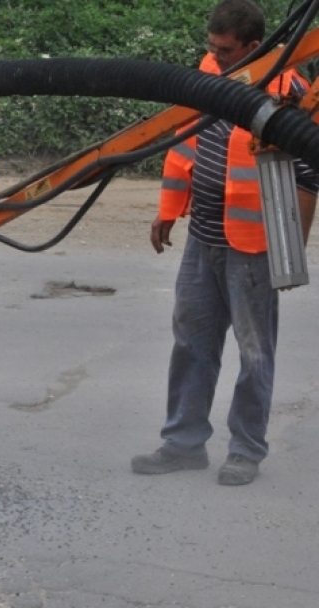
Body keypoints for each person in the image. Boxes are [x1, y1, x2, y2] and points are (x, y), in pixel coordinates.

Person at [132, 0, 318, 485]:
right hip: (203, 237)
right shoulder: (207, 78)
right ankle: (183, 443)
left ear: (254, 48)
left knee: (254, 352)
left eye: (225, 50)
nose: (214, 56)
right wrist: (169, 210)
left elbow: (308, 176)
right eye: (211, 47)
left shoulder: (289, 95)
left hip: (254, 244)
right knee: (191, 343)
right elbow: (183, 144)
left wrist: (290, 251)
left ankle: (246, 450)